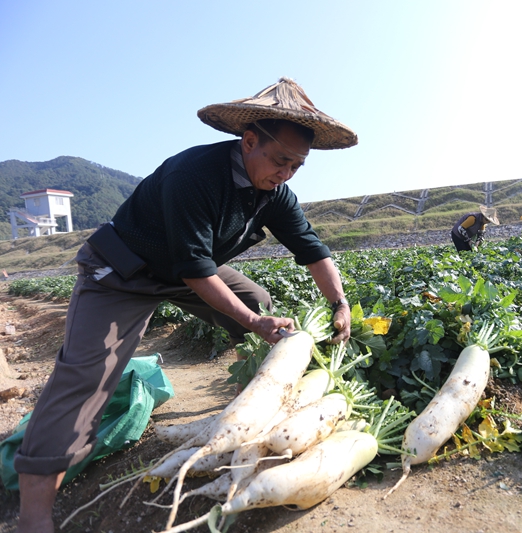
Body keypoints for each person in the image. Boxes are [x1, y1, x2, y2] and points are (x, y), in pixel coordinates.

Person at [13, 77, 357, 533]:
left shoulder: (274, 192)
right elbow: (195, 269)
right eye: (280, 161)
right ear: (249, 141)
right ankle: (33, 515)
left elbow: (312, 249)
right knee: (86, 375)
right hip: (123, 273)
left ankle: (251, 413)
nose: (287, 173)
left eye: (297, 165)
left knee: (255, 296)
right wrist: (255, 322)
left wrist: (339, 301)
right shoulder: (194, 175)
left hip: (180, 269)